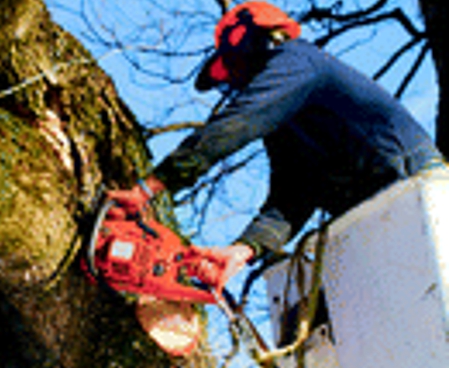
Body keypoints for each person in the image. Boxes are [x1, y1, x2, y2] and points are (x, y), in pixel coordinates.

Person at [154, 1, 445, 287]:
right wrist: (242, 250)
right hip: (370, 215)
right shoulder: (284, 125)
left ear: (250, 41)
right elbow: (291, 197)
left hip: (410, 183)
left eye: (233, 68)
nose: (236, 84)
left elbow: (238, 122)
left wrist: (154, 184)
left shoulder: (297, 60)